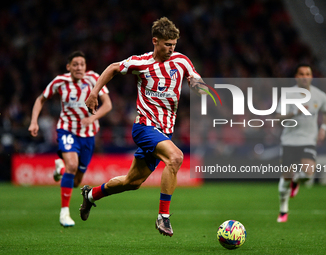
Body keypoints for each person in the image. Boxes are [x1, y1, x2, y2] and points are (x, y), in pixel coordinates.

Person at [79, 17, 202, 237]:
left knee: (132, 182)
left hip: (164, 131)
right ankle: (163, 217)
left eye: (174, 45)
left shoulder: (182, 61)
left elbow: (196, 79)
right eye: (167, 44)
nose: (171, 49)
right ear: (155, 41)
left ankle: (90, 196)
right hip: (144, 127)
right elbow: (113, 68)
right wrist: (94, 92)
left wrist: (198, 85)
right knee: (175, 157)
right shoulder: (141, 62)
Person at [28, 51, 112, 227]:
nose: (79, 67)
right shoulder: (60, 81)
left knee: (76, 181)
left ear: (85, 66)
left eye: (82, 64)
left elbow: (108, 105)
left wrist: (92, 119)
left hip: (88, 134)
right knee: (72, 166)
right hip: (67, 130)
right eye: (75, 64)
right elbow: (40, 99)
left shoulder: (94, 79)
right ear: (69, 67)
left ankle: (60, 168)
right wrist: (34, 121)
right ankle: (64, 213)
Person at [276, 64, 326, 223]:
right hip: (289, 141)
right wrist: (294, 113)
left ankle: (297, 180)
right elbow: (278, 118)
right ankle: (283, 209)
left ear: (311, 77)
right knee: (286, 177)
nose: (305, 76)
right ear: (296, 77)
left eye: (308, 73)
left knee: (308, 174)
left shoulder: (319, 96)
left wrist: (324, 128)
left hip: (308, 139)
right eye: (301, 73)